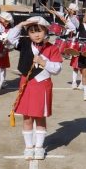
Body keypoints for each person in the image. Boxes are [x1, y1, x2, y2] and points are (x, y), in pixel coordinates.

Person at [5, 16, 63, 160]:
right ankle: (28, 147)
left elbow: (57, 69)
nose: (36, 35)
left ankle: (39, 147)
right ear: (28, 33)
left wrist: (44, 62)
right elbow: (10, 38)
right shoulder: (24, 43)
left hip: (42, 85)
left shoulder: (52, 47)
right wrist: (22, 24)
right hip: (26, 84)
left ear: (45, 31)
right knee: (27, 117)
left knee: (40, 117)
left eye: (39, 31)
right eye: (32, 31)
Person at [0, 11, 13, 90]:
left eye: (8, 21)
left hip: (4, 46)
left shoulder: (8, 28)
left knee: (3, 66)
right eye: (5, 21)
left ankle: (2, 81)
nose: (7, 23)